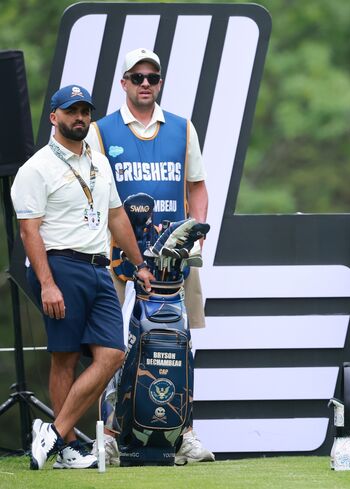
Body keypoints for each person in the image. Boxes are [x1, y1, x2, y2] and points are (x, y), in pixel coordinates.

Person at [11, 85, 155, 470]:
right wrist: (47, 284)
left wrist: (139, 263)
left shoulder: (99, 162)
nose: (79, 118)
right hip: (60, 266)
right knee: (66, 358)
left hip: (99, 267)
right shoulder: (36, 167)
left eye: (85, 111)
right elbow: (28, 231)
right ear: (53, 116)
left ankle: (54, 432)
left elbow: (116, 216)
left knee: (112, 354)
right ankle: (69, 448)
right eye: (71, 111)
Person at [83, 47, 213, 465]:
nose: (144, 83)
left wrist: (196, 236)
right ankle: (107, 436)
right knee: (110, 347)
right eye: (136, 77)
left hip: (173, 258)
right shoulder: (101, 131)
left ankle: (184, 434)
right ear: (123, 82)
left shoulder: (182, 127)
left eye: (151, 78)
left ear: (159, 83)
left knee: (180, 344)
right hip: (118, 256)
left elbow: (197, 186)